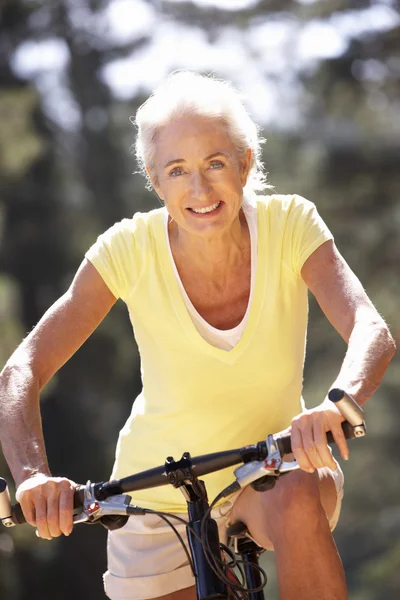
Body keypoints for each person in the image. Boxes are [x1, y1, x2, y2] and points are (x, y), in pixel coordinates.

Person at [0, 71, 395, 600]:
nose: (200, 189)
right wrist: (30, 478)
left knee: (296, 491)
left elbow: (371, 328)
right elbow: (22, 369)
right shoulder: (126, 249)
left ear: (246, 163)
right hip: (153, 493)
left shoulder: (291, 224)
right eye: (178, 171)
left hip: (270, 467)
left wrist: (336, 405)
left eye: (215, 163)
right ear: (155, 180)